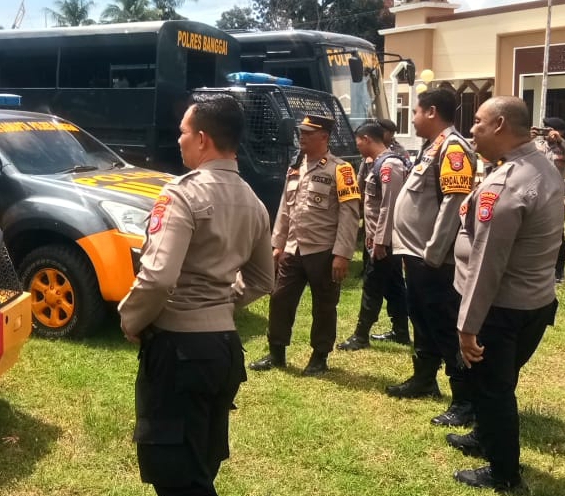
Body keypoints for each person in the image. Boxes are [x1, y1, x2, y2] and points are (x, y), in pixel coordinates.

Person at [118, 93, 274, 496]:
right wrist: (219, 307)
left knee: (178, 477)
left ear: (203, 139)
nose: (178, 140)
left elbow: (157, 279)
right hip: (224, 350)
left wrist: (130, 320)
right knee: (201, 461)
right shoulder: (254, 201)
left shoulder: (182, 194)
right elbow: (261, 279)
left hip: (179, 351)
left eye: (183, 132)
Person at [446, 96, 561, 492]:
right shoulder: (541, 166)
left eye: (478, 121)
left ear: (499, 125)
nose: (471, 130)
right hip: (534, 300)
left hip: (500, 307)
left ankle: (504, 474)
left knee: (494, 389)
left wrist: (467, 326)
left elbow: (487, 263)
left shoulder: (507, 183)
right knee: (498, 381)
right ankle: (484, 436)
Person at [386, 88, 478, 428]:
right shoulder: (432, 146)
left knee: (444, 325)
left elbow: (454, 204)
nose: (411, 118)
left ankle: (465, 399)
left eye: (415, 111)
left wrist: (434, 253)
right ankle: (424, 378)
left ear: (432, 111)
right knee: (422, 320)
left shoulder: (453, 148)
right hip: (417, 255)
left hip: (434, 259)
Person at [249, 113, 361, 375]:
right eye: (301, 132)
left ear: (324, 136)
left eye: (309, 133)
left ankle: (319, 356)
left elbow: (349, 214)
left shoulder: (341, 169)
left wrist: (342, 254)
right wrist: (277, 244)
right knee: (280, 299)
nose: (302, 137)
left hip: (323, 250)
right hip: (293, 248)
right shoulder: (295, 167)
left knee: (324, 305)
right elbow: (285, 209)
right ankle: (276, 352)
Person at [337, 122, 410, 350]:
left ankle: (360, 336)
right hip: (380, 240)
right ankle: (401, 331)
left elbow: (389, 206)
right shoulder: (375, 163)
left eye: (358, 141)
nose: (357, 145)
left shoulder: (389, 165)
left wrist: (380, 241)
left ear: (367, 139)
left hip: (384, 241)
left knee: (372, 286)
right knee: (394, 286)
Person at [532, 116, 565, 282]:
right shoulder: (536, 144)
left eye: (549, 129)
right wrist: (526, 139)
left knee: (558, 235)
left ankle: (559, 271)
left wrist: (560, 141)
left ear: (560, 131)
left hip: (555, 198)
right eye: (544, 128)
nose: (546, 132)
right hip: (536, 196)